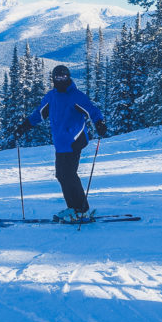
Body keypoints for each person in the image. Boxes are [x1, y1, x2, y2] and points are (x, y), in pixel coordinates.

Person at [14, 64, 107, 222]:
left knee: (69, 174)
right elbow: (39, 114)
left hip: (74, 140)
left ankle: (82, 209)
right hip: (60, 143)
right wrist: (24, 126)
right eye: (58, 77)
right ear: (53, 78)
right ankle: (73, 208)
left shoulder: (76, 96)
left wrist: (99, 123)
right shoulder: (51, 97)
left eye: (64, 76)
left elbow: (92, 111)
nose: (61, 79)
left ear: (68, 77)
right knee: (61, 175)